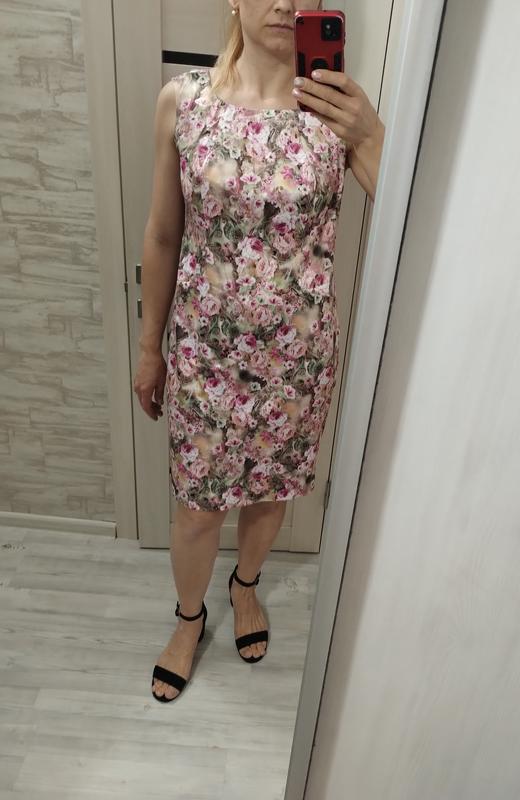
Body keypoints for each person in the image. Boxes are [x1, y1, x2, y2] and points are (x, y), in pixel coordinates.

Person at [133, 0, 385, 702]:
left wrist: (372, 134)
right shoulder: (185, 102)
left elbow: (412, 211)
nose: (284, 3)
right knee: (197, 508)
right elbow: (162, 234)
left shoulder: (336, 111)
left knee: (271, 492)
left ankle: (245, 585)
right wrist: (149, 347)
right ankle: (189, 618)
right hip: (204, 362)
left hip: (295, 364)